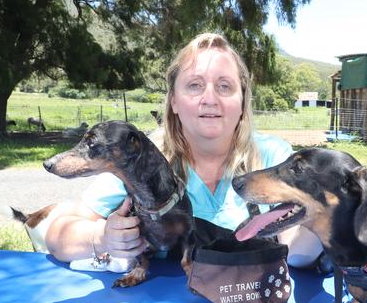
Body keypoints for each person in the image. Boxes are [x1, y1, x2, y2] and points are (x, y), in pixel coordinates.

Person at [44, 33, 326, 271]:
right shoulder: (138, 156)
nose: (210, 99)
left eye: (225, 86)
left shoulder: (274, 156)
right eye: (195, 85)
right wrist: (102, 237)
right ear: (174, 102)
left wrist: (326, 214)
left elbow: (299, 249)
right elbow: (58, 236)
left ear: (242, 102)